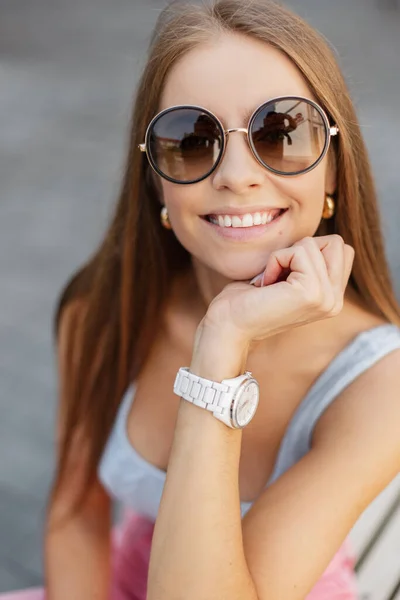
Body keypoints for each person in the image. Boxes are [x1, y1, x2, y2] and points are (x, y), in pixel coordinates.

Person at [3, 0, 400, 599]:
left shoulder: (383, 383)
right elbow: (76, 510)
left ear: (334, 170)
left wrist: (221, 345)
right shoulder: (100, 309)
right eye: (190, 140)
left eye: (280, 133)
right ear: (155, 178)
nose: (237, 175)